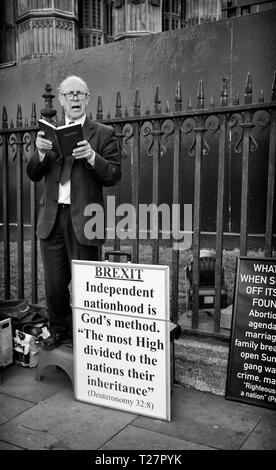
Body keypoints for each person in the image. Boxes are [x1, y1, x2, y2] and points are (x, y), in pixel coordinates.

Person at [27, 75, 121, 350]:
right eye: (70, 94)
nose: (75, 99)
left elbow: (114, 175)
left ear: (88, 98)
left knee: (85, 283)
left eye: (80, 94)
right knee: (55, 286)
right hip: (52, 219)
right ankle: (59, 329)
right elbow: (33, 173)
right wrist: (41, 153)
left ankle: (87, 335)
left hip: (85, 219)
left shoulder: (103, 134)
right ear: (60, 100)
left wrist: (92, 156)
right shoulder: (49, 134)